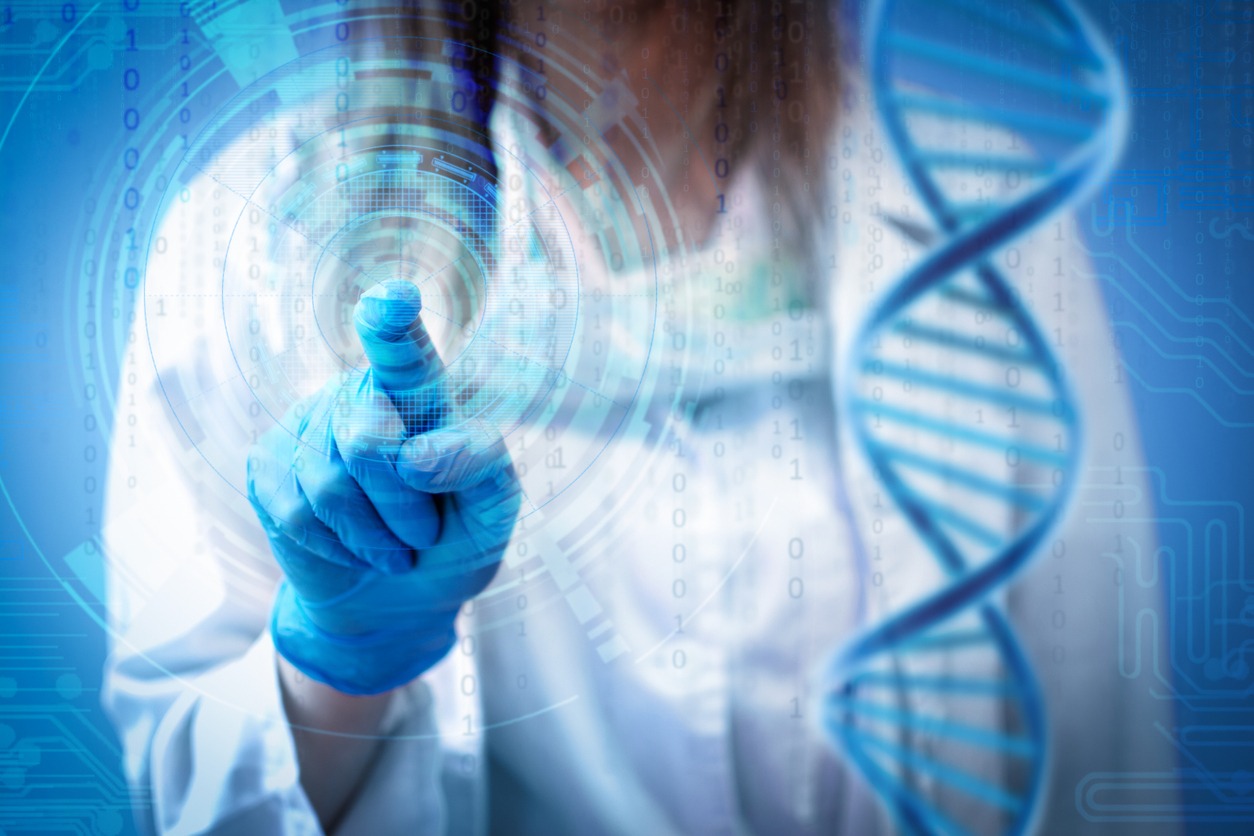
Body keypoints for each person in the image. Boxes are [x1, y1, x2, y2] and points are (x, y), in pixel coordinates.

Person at [101, 1, 1178, 833]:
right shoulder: (248, 249)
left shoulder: (984, 224)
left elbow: (1103, 764)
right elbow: (190, 801)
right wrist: (334, 670)